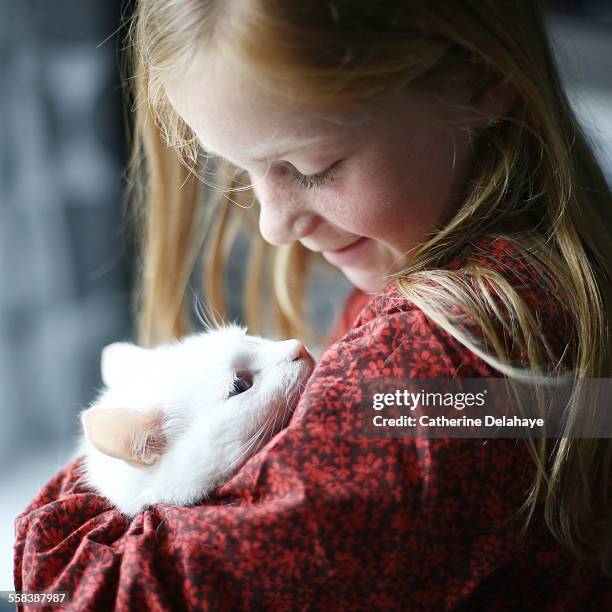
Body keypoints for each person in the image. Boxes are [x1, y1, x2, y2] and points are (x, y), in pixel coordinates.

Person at [14, 0, 612, 609]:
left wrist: (99, 480)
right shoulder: (529, 310)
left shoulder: (433, 370)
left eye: (312, 167)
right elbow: (566, 412)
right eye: (243, 174)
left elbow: (82, 597)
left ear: (478, 77)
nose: (273, 225)